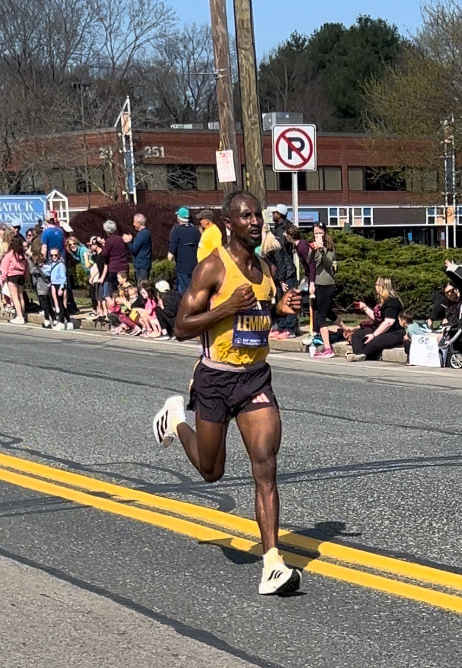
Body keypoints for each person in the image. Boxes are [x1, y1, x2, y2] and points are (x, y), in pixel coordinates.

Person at [151, 190, 303, 596]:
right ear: (229, 222)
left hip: (254, 377)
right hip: (215, 379)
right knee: (210, 471)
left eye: (258, 216)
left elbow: (260, 312)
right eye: (246, 216)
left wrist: (278, 310)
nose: (255, 222)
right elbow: (182, 326)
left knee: (265, 465)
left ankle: (272, 562)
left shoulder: (266, 268)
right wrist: (226, 308)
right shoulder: (211, 268)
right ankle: (175, 421)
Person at [349, 277, 406, 362]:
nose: (375, 287)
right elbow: (377, 318)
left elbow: (389, 322)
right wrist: (364, 308)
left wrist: (374, 335)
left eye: (376, 285)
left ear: (381, 286)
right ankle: (358, 354)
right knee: (358, 335)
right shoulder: (381, 301)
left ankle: (364, 354)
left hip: (393, 332)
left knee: (375, 341)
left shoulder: (392, 301)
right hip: (378, 329)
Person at [267, 206, 298, 338]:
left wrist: (282, 278)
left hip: (287, 270)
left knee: (290, 299)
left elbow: (282, 257)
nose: (273, 214)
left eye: (275, 212)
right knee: (281, 299)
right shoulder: (276, 229)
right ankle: (282, 325)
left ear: (280, 214)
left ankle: (291, 328)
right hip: (281, 271)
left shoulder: (285, 229)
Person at [310, 224, 339, 360]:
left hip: (328, 283)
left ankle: (328, 348)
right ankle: (345, 329)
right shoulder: (314, 246)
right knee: (327, 313)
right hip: (318, 283)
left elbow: (329, 264)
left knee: (321, 317)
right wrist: (313, 249)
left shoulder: (330, 248)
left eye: (320, 233)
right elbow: (311, 262)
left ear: (325, 233)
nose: (318, 236)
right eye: (315, 233)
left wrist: (322, 250)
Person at [168, 208, 201, 295]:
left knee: (183, 292)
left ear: (179, 218)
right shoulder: (196, 230)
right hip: (195, 265)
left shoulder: (177, 231)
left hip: (182, 267)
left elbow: (171, 253)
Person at [0, 236, 29, 324]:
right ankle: (22, 314)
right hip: (21, 276)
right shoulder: (23, 254)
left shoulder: (10, 254)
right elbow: (27, 267)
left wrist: (3, 278)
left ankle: (19, 317)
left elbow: (5, 267)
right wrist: (27, 276)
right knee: (21, 297)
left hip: (12, 276)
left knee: (15, 297)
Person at [100, 220, 130, 298]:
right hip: (124, 266)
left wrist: (103, 245)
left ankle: (117, 307)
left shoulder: (109, 241)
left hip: (114, 267)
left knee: (114, 289)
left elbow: (104, 254)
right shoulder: (121, 239)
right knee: (124, 287)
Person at [47, 248, 71, 330]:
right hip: (54, 285)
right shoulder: (51, 264)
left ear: (59, 255)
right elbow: (47, 271)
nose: (54, 257)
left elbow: (63, 277)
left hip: (60, 285)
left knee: (61, 305)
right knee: (59, 305)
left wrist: (61, 288)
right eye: (52, 255)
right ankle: (68, 321)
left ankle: (61, 322)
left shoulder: (61, 265)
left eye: (55, 255)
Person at [127, 214, 153, 283]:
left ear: (138, 224)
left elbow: (133, 249)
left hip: (141, 264)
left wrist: (128, 242)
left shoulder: (142, 234)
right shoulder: (146, 232)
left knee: (142, 286)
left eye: (134, 222)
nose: (133, 224)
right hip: (143, 263)